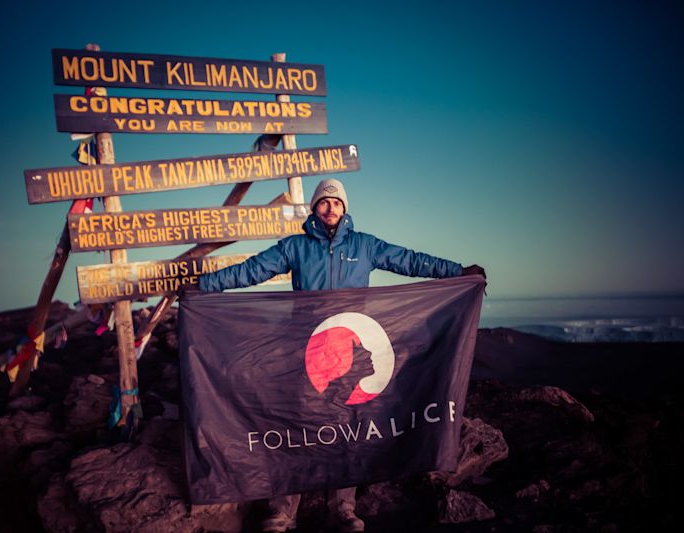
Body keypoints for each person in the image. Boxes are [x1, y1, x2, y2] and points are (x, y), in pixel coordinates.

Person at [197, 178, 485, 532]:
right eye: (323, 202)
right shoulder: (295, 247)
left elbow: (410, 261)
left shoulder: (365, 246)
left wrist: (458, 273)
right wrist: (203, 286)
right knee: (296, 425)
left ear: (345, 208)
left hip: (349, 354)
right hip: (304, 351)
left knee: (348, 429)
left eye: (336, 202)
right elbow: (252, 270)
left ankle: (343, 509)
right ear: (314, 208)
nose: (330, 207)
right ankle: (284, 510)